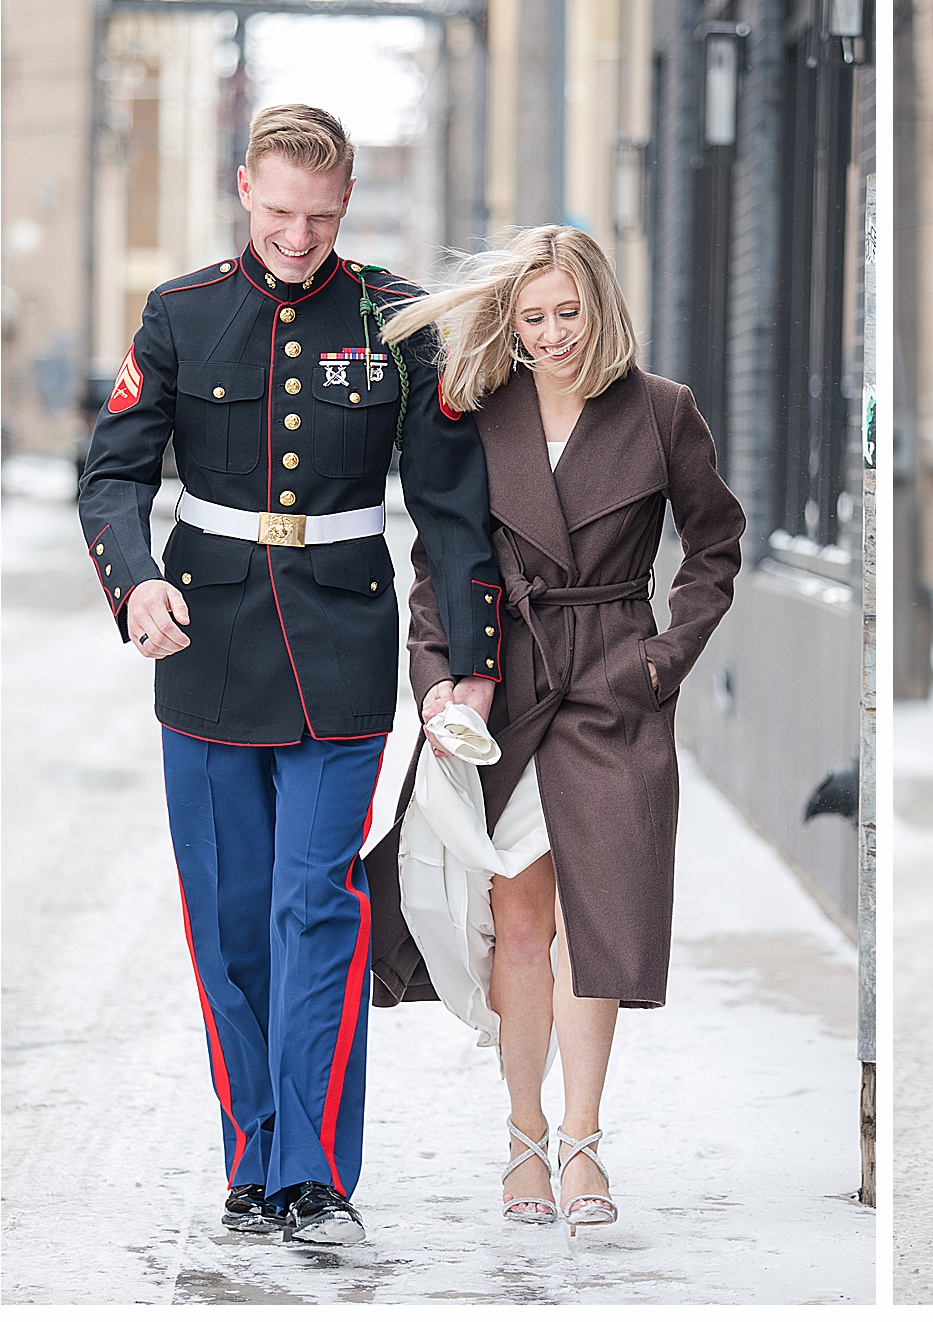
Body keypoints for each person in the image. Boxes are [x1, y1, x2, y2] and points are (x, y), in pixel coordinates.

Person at [76, 104, 502, 1244]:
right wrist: (136, 585)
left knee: (316, 902)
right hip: (204, 643)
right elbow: (111, 476)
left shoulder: (399, 319)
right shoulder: (180, 313)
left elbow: (454, 514)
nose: (298, 237)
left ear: (346, 203)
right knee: (229, 922)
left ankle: (311, 1169)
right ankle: (252, 1148)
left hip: (342, 645)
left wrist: (469, 665)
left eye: (320, 217)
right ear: (243, 190)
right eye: (278, 213)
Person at [364, 225, 745, 1235]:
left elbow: (716, 545)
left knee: (595, 920)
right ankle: (524, 1135)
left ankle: (584, 1138)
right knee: (521, 921)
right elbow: (442, 561)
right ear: (513, 323)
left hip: (616, 680)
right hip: (509, 681)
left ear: (600, 305)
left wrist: (659, 659)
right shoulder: (478, 416)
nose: (551, 333)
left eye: (567, 311)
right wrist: (439, 680)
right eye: (532, 317)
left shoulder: (663, 411)